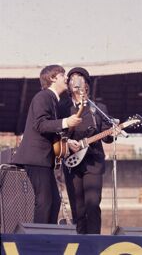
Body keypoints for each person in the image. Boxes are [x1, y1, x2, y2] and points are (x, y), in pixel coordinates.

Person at [14, 64, 82, 224]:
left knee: (53, 202)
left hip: (43, 160)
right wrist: (67, 121)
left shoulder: (52, 100)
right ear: (52, 78)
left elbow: (50, 130)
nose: (67, 78)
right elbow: (40, 125)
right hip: (36, 159)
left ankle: (47, 236)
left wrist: (67, 141)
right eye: (62, 75)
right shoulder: (43, 97)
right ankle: (38, 239)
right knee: (44, 202)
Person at [60, 67, 115, 234]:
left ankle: (94, 244)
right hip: (72, 163)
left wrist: (112, 133)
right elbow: (57, 133)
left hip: (93, 162)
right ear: (68, 84)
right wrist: (68, 142)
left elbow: (107, 136)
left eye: (80, 79)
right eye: (72, 79)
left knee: (92, 203)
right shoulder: (63, 107)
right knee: (77, 208)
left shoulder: (98, 108)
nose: (76, 82)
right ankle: (79, 243)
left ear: (87, 84)